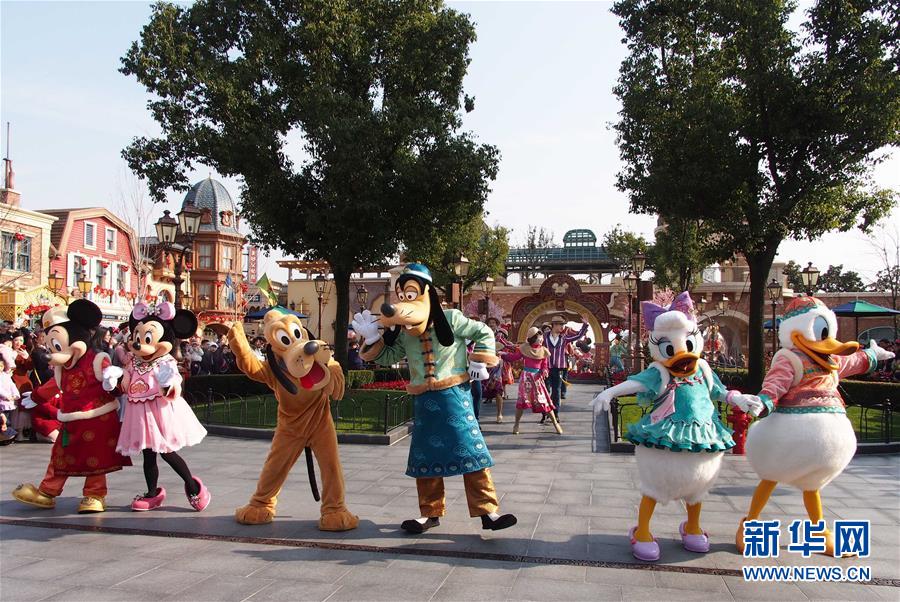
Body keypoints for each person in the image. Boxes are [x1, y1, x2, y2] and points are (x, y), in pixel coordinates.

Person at [110, 301, 209, 512]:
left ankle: (193, 487)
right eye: (137, 338)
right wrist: (114, 382)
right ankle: (152, 492)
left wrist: (168, 385)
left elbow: (174, 385)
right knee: (148, 454)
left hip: (161, 412)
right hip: (139, 414)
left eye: (146, 339)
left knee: (167, 451)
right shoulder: (133, 363)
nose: (138, 344)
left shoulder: (165, 362)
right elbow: (125, 386)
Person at [501, 327, 562, 435]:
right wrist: (503, 355)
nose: (541, 340)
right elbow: (514, 357)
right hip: (526, 378)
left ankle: (556, 424)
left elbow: (544, 365)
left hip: (538, 378)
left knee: (545, 401)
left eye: (541, 338)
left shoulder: (543, 350)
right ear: (532, 339)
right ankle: (516, 424)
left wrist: (544, 371)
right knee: (521, 402)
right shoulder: (524, 348)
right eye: (539, 338)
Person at [544, 316, 588, 419]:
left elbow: (578, 336)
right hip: (546, 368)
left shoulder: (564, 338)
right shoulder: (544, 337)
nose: (562, 327)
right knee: (545, 391)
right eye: (560, 324)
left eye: (563, 325)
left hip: (559, 368)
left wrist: (585, 325)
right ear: (554, 325)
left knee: (557, 391)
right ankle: (545, 412)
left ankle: (555, 413)